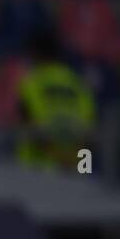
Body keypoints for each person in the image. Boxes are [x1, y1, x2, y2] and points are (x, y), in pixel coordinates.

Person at [16, 30, 95, 171]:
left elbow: (30, 128)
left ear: (35, 54)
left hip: (36, 172)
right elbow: (89, 131)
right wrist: (73, 160)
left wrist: (58, 157)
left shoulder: (31, 84)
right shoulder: (77, 83)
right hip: (76, 170)